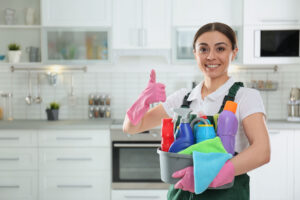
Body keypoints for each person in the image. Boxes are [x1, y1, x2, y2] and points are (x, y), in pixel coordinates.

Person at [123, 22, 270, 200]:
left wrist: (208, 176)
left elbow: (262, 151)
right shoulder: (183, 99)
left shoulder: (245, 97)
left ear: (234, 52)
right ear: (195, 53)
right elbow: (132, 127)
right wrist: (143, 101)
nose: (211, 56)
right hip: (181, 194)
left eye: (220, 49)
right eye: (203, 49)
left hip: (225, 194)